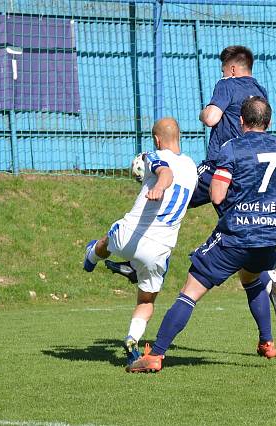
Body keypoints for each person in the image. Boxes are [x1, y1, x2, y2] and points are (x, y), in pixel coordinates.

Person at [127, 97, 276, 373]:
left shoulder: (231, 148)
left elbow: (218, 193)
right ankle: (267, 342)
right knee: (252, 279)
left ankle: (156, 355)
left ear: (241, 121)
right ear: (268, 122)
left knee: (190, 291)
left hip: (236, 236)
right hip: (269, 239)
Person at [82, 117, 198, 364]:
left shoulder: (151, 156)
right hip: (158, 250)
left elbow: (165, 172)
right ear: (179, 137)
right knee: (146, 301)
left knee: (105, 242)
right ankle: (132, 338)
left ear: (157, 140)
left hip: (131, 236)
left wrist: (158, 186)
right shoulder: (192, 166)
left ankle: (91, 257)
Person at [192, 45, 276, 325]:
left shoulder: (227, 84)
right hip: (249, 171)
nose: (223, 73)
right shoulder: (260, 90)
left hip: (221, 164)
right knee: (241, 225)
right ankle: (269, 276)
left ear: (232, 68)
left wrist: (204, 113)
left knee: (177, 195)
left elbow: (211, 117)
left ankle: (141, 260)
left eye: (224, 68)